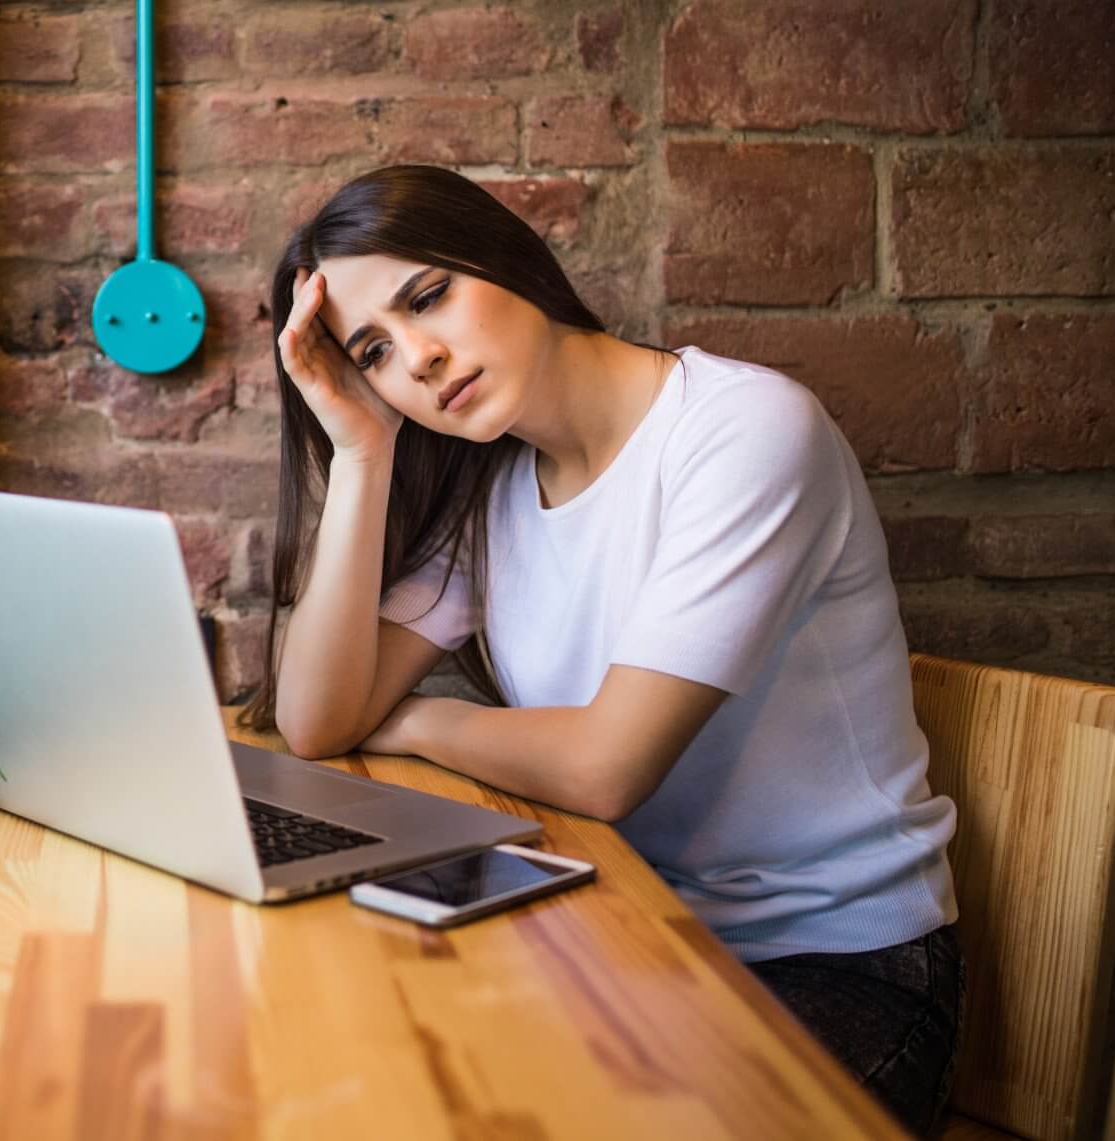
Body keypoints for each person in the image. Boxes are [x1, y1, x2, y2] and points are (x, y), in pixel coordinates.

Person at [248, 164, 963, 1135]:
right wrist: (362, 451)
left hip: (830, 964)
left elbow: (603, 767)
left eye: (429, 295)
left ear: (510, 259)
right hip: (622, 932)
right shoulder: (493, 491)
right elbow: (315, 720)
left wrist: (421, 718)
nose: (416, 356)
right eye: (370, 350)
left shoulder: (739, 430)